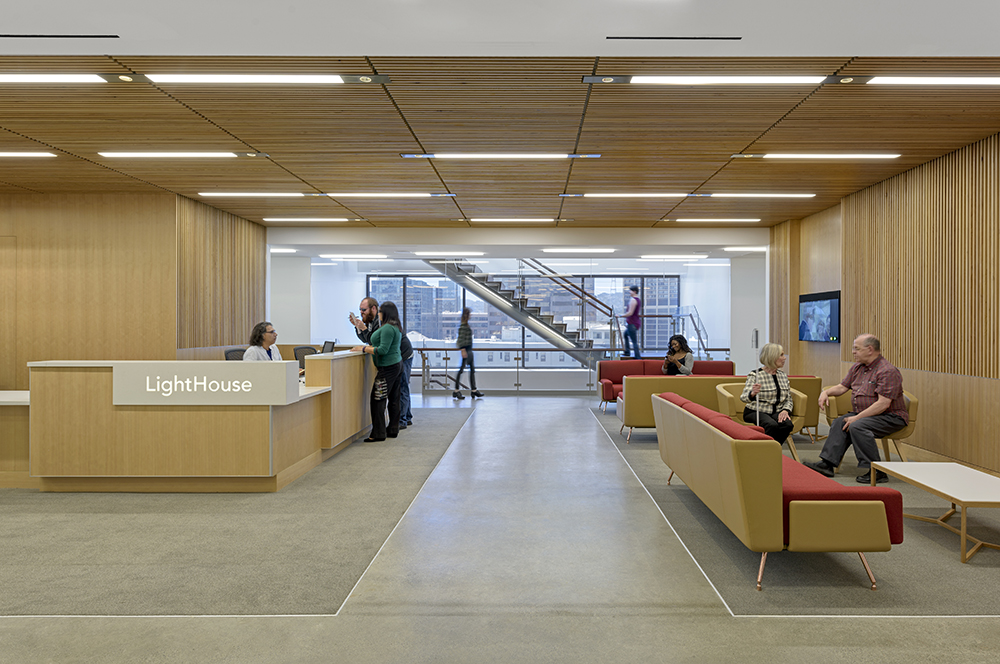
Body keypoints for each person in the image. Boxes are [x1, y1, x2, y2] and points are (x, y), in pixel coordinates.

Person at [805, 334, 908, 484]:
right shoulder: (858, 367)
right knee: (840, 422)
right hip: (868, 415)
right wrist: (825, 392)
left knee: (857, 425)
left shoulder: (887, 371)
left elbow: (883, 404)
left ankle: (877, 471)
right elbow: (842, 387)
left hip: (890, 416)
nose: (853, 352)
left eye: (856, 348)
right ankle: (827, 464)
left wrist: (857, 418)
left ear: (870, 349)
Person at [352, 301, 403, 442]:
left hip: (387, 368)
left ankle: (379, 433)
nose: (378, 314)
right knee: (393, 399)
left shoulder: (387, 328)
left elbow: (382, 350)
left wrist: (363, 348)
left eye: (380, 311)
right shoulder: (395, 326)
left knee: (377, 400)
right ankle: (392, 429)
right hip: (395, 365)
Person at [740, 343, 794, 445]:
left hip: (776, 411)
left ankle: (773, 449)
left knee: (787, 425)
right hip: (756, 411)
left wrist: (786, 410)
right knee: (771, 425)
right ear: (772, 357)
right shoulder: (755, 375)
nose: (784, 358)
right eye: (781, 355)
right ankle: (765, 451)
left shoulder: (783, 376)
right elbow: (743, 397)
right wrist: (752, 393)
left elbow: (788, 399)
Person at [453, 307, 484, 400]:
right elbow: (460, 340)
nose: (471, 315)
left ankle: (473, 390)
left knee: (471, 370)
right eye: (469, 314)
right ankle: (456, 391)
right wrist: (463, 350)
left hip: (468, 349)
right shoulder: (463, 327)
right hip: (466, 350)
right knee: (462, 370)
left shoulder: (465, 325)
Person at [397, 327, 414, 430]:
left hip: (404, 356)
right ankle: (407, 417)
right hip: (404, 354)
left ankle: (402, 420)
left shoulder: (387, 323)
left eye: (363, 309)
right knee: (404, 387)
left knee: (402, 387)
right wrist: (359, 328)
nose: (362, 312)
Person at [622, 285, 642, 358]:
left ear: (634, 291)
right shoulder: (637, 299)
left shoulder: (633, 300)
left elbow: (630, 313)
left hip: (632, 323)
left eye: (630, 290)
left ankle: (637, 357)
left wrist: (620, 316)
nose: (629, 292)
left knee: (634, 341)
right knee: (625, 334)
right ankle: (627, 352)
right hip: (634, 323)